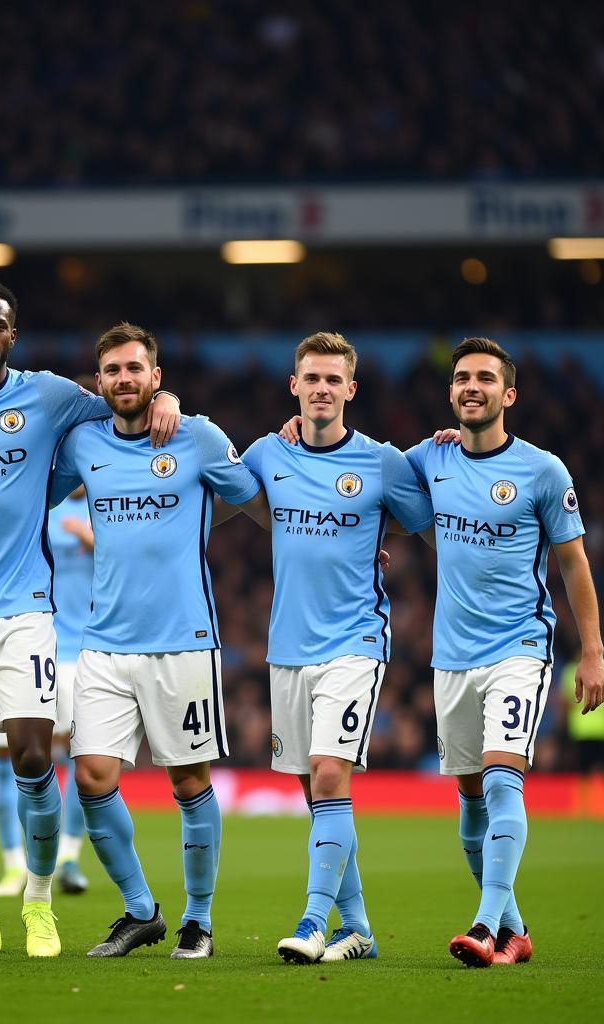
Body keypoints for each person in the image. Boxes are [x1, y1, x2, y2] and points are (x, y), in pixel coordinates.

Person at [0, 281, 181, 957]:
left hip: (24, 610)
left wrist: (165, 397)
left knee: (31, 756)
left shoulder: (50, 395)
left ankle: (39, 906)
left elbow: (123, 400)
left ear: (12, 336)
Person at [51, 322, 267, 958]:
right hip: (104, 644)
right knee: (91, 776)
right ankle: (140, 909)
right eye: (113, 369)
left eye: (135, 368)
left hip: (182, 641)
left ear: (156, 376)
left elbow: (257, 503)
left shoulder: (198, 437)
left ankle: (197, 919)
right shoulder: (83, 443)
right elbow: (23, 476)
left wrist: (350, 550)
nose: (124, 379)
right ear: (99, 382)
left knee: (188, 780)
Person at [405, 337, 603, 967]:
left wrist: (594, 651)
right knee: (468, 798)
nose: (471, 386)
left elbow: (573, 565)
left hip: (519, 645)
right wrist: (303, 423)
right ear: (451, 391)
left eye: (485, 379)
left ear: (507, 394)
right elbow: (355, 471)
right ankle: (515, 933)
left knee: (500, 777)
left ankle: (486, 927)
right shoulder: (428, 459)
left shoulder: (544, 472)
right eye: (462, 377)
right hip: (451, 655)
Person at [240, 332, 433, 965]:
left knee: (328, 774)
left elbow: (425, 518)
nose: (321, 389)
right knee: (315, 791)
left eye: (333, 380)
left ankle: (313, 921)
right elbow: (243, 501)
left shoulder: (381, 463)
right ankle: (360, 929)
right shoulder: (269, 452)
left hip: (353, 644)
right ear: (293, 386)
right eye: (311, 379)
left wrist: (379, 527)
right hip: (286, 646)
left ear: (351, 389)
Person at [0, 377, 97, 901]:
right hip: (24, 643)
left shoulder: (108, 503)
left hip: (82, 650)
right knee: (4, 760)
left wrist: (97, 539)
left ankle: (69, 858)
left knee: (82, 756)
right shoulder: (34, 502)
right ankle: (13, 864)